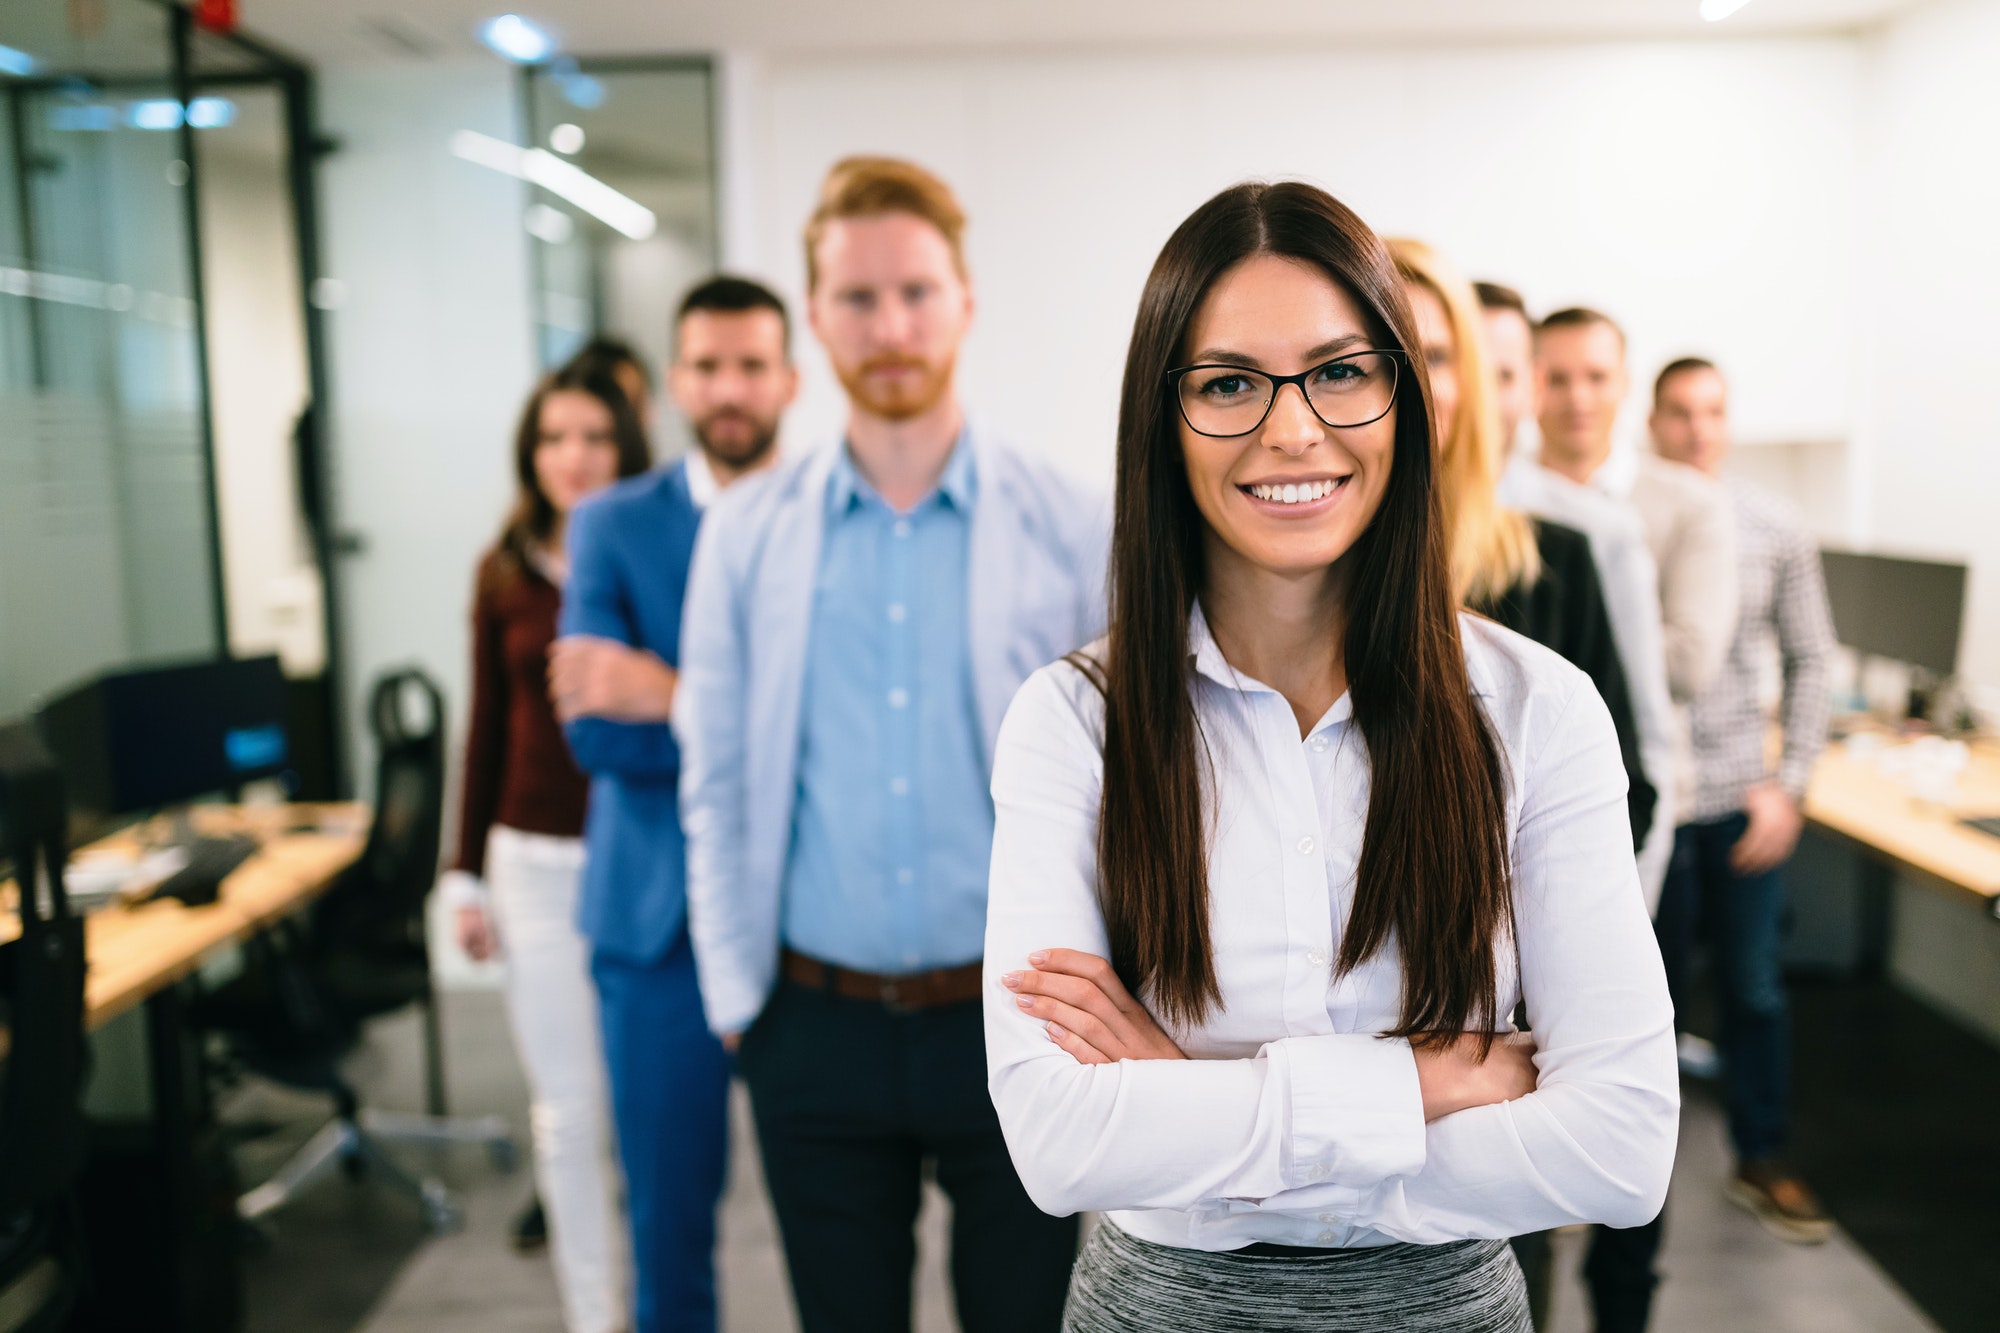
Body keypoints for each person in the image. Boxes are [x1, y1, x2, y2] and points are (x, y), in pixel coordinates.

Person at [982, 180, 1677, 1333]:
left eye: (1340, 371)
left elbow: (1620, 1144)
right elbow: (1058, 1145)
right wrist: (1417, 1086)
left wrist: (1191, 1102)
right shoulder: (1070, 720)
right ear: (1161, 417)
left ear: (1403, 398)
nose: (1291, 428)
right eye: (1226, 383)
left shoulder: (1535, 710)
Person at [676, 156, 1104, 1333]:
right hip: (810, 1026)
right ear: (813, 319)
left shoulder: (1072, 521)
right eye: (856, 298)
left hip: (1014, 1016)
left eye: (916, 291)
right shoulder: (747, 534)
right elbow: (710, 773)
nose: (890, 325)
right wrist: (735, 998)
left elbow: (1129, 775)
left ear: (965, 299)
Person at [1394, 240, 1658, 1333]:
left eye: (1431, 354)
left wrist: (1553, 959)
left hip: (1508, 1041)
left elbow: (1633, 784)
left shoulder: (1557, 562)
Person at [551, 276, 798, 1333]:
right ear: (670, 382)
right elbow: (595, 731)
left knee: (837, 1229)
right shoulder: (611, 524)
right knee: (667, 1225)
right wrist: (746, 715)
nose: (729, 388)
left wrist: (674, 693)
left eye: (751, 365)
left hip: (807, 930)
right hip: (652, 933)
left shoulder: (831, 519)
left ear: (789, 378)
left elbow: (839, 732)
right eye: (707, 366)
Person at [441, 365, 652, 1333]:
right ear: (532, 452)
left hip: (641, 853)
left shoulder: (653, 551)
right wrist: (461, 875)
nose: (574, 456)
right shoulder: (504, 570)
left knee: (649, 1116)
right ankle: (592, 1314)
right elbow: (484, 726)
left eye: (595, 437)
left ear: (625, 448)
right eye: (554, 437)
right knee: (566, 1111)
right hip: (531, 858)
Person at [1650, 357, 1836, 1244]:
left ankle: (1762, 1157)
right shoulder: (1623, 519)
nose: (1697, 429)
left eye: (1712, 413)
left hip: (1737, 802)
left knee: (1755, 988)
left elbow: (1813, 660)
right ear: (1652, 421)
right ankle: (1619, 1186)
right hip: (1646, 805)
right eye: (1680, 413)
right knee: (1638, 1001)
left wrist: (1788, 786)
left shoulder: (1774, 528)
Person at [1482, 293, 1678, 914]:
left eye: (1502, 374)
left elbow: (1642, 738)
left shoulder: (1585, 534)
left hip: (1553, 909)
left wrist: (1626, 915)